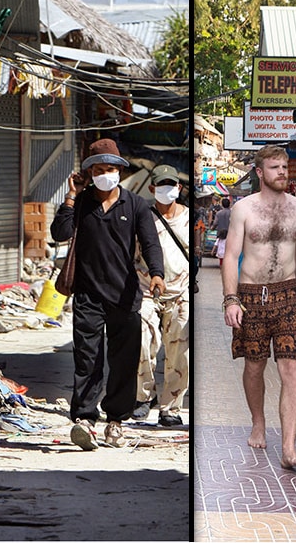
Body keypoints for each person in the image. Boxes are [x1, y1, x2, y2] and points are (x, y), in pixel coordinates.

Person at [50, 138, 165, 450]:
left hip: (126, 295)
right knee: (87, 359)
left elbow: (151, 242)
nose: (105, 174)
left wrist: (157, 273)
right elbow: (59, 233)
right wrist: (71, 196)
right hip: (88, 295)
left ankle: (115, 421)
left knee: (124, 361)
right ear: (89, 172)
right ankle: (85, 419)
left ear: (120, 171)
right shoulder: (83, 203)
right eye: (99, 169)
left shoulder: (137, 205)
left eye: (110, 169)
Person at [221, 144, 296, 470]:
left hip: (288, 295)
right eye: (275, 168)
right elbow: (230, 256)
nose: (282, 173)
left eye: (285, 168)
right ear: (260, 172)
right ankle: (258, 421)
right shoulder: (243, 209)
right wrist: (231, 298)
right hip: (250, 297)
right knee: (255, 366)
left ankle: (289, 447)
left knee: (291, 368)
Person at [133, 164, 190, 427]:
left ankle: (171, 406)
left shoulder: (190, 218)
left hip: (180, 293)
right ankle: (144, 397)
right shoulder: (142, 216)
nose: (169, 190)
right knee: (143, 339)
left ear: (179, 187)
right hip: (146, 289)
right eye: (163, 185)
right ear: (152, 188)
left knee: (180, 350)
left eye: (173, 184)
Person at [210, 198, 232, 264]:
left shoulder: (219, 213)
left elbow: (215, 223)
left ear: (222, 205)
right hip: (231, 235)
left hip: (221, 235)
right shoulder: (233, 213)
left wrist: (212, 228)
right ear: (229, 205)